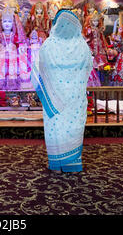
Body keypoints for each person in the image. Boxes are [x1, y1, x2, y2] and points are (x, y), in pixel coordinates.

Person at [31, 9, 92, 173]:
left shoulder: (49, 45)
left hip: (55, 98)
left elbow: (38, 70)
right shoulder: (82, 46)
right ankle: (71, 163)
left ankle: (57, 165)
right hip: (75, 98)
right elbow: (88, 68)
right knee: (72, 128)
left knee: (56, 128)